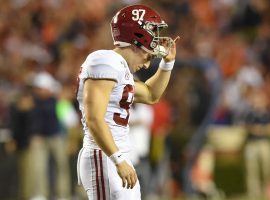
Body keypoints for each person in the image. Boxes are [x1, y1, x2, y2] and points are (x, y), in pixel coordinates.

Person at [76, 4, 179, 200]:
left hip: (117, 156)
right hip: (105, 155)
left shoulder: (119, 68)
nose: (148, 63)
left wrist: (168, 63)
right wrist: (117, 158)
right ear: (137, 37)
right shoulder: (105, 60)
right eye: (148, 55)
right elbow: (94, 119)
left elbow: (151, 94)